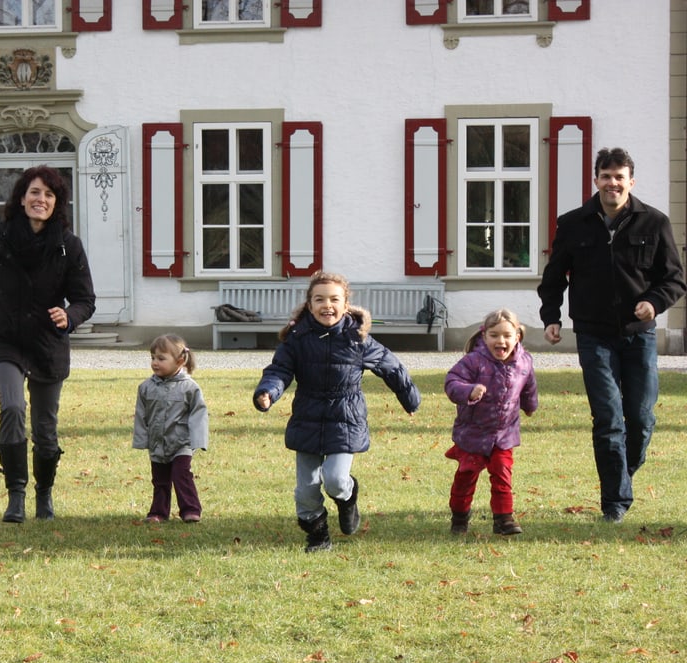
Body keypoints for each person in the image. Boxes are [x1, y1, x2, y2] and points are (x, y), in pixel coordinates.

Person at [538, 147, 686, 523]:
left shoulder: (655, 223)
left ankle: (621, 476)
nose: (612, 183)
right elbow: (554, 277)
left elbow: (674, 279)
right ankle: (615, 504)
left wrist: (653, 303)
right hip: (594, 336)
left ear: (630, 182)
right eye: (606, 176)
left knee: (640, 418)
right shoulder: (573, 223)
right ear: (596, 180)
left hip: (640, 336)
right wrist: (551, 317)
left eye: (619, 177)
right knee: (608, 419)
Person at [0, 166, 96, 523]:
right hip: (7, 339)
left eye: (49, 195)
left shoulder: (68, 245)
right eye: (35, 192)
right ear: (21, 198)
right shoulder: (0, 236)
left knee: (45, 430)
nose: (41, 200)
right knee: (13, 408)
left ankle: (44, 495)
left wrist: (70, 316)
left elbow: (85, 299)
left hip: (48, 343)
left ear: (56, 203)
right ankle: (15, 494)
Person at [252, 271, 421, 552]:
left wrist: (409, 399)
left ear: (346, 304)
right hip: (307, 417)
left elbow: (391, 366)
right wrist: (267, 392)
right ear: (309, 304)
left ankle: (348, 497)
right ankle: (318, 536)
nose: (326, 305)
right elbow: (279, 370)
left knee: (335, 479)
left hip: (345, 418)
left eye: (334, 299)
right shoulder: (297, 338)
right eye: (319, 299)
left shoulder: (358, 339)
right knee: (306, 489)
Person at [444, 309, 538, 536]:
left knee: (502, 474)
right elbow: (452, 382)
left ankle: (504, 519)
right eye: (494, 335)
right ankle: (459, 516)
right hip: (473, 433)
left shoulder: (524, 362)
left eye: (507, 335)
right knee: (466, 477)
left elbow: (528, 386)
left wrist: (530, 405)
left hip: (504, 434)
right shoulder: (474, 361)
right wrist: (469, 390)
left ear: (518, 336)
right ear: (484, 337)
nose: (501, 341)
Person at [132, 334, 208, 523]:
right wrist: (142, 440)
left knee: (181, 475)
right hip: (157, 443)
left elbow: (199, 415)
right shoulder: (146, 388)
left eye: (161, 358)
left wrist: (198, 441)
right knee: (160, 480)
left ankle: (191, 509)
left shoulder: (190, 388)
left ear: (180, 361)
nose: (155, 363)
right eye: (153, 358)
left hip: (181, 443)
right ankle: (158, 512)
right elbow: (141, 416)